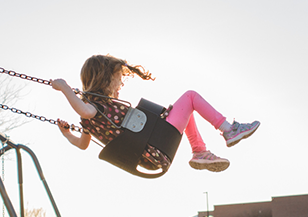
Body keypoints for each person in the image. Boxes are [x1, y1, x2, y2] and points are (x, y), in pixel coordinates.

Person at [52, 54, 259, 172]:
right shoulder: (96, 110)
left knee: (184, 110)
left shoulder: (97, 115)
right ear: (104, 79)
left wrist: (67, 134)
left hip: (151, 152)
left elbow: (82, 144)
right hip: (155, 145)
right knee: (190, 97)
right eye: (118, 78)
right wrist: (64, 88)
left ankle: (199, 151)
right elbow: (85, 110)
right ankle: (228, 130)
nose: (121, 83)